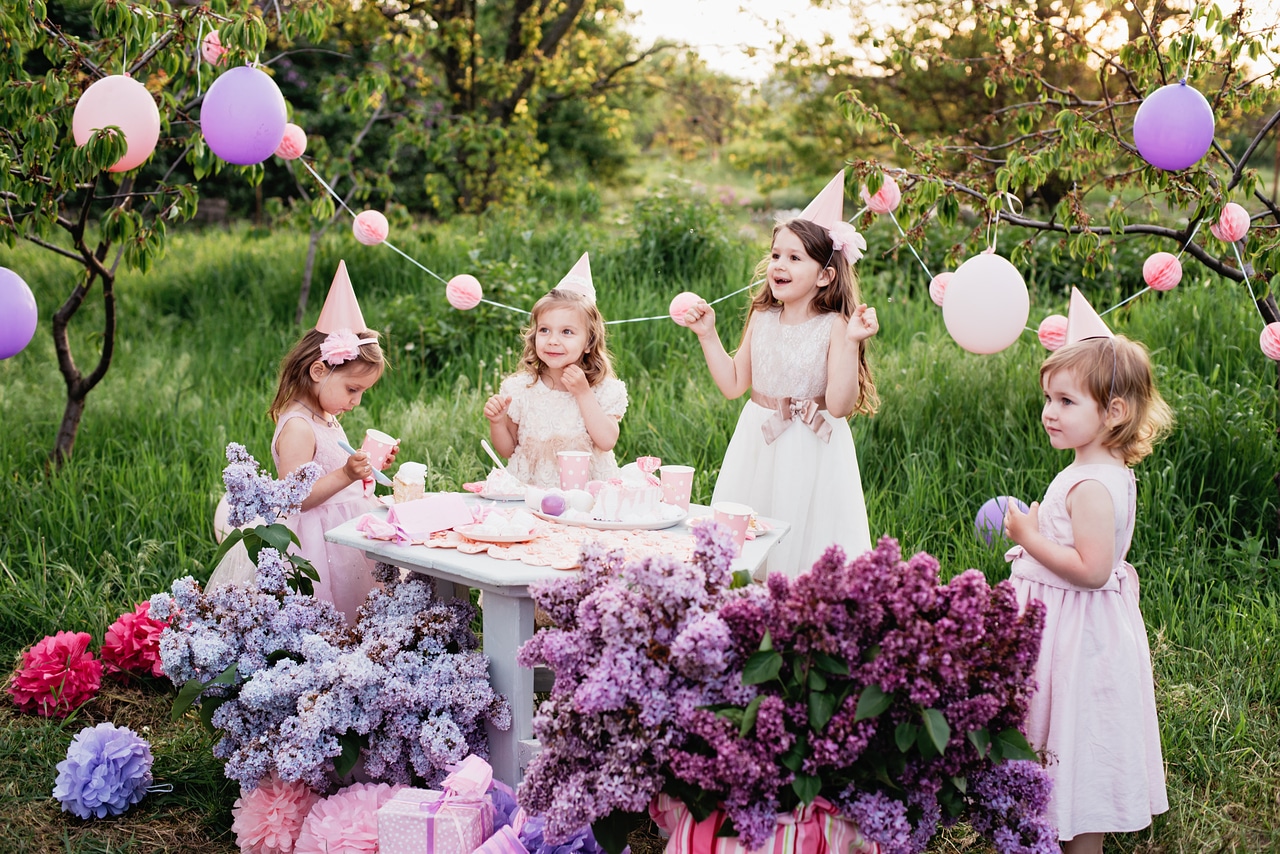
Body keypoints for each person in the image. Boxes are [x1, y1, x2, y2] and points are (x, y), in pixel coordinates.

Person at [1004, 288, 1173, 852]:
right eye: (1047, 398)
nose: (1049, 411)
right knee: (1059, 732)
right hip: (1074, 625)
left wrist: (1029, 538)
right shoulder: (1099, 469)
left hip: (1074, 633)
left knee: (1074, 732)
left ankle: (1078, 835)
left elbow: (1093, 569)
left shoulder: (1092, 485)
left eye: (1066, 401)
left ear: (1114, 412)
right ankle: (1050, 826)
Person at [680, 171, 879, 578]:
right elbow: (735, 384)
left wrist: (854, 341)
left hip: (812, 447)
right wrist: (707, 335)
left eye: (794, 257)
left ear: (825, 275)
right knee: (748, 544)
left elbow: (839, 407)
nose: (779, 265)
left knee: (805, 542)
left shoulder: (835, 326)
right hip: (759, 438)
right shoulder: (762, 315)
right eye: (775, 255)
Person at [208, 262, 394, 625]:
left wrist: (368, 467)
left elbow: (332, 467)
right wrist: (346, 473)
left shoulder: (324, 415)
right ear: (319, 370)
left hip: (340, 528)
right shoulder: (297, 427)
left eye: (362, 392)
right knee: (328, 610)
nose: (356, 401)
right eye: (352, 389)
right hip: (315, 543)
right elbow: (296, 496)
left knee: (357, 606)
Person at [484, 253, 626, 490]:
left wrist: (582, 393)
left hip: (585, 496)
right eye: (545, 330)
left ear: (589, 341)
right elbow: (508, 450)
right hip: (529, 493)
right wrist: (497, 423)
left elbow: (607, 440)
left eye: (567, 332)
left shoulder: (603, 390)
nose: (553, 341)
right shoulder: (520, 388)